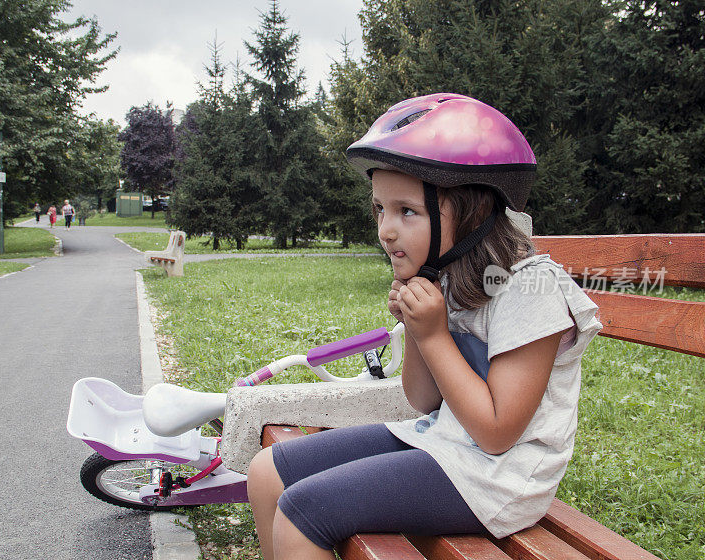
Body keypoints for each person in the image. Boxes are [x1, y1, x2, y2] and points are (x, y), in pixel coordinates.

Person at [246, 93, 603, 559]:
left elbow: (496, 433)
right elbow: (422, 399)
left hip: (496, 477)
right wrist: (417, 329)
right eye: (380, 209)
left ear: (470, 209)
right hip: (443, 441)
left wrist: (433, 334)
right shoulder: (450, 275)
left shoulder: (529, 290)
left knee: (304, 511)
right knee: (267, 471)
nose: (385, 230)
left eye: (406, 211)